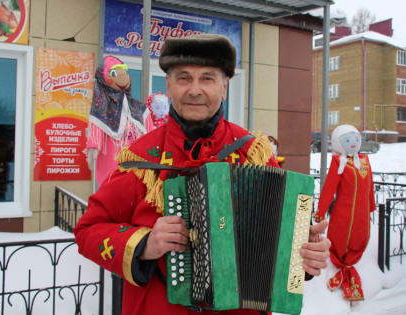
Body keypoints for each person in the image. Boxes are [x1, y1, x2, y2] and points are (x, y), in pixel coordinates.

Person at [74, 34, 331, 315]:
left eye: (207, 78)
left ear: (224, 86)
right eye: (184, 78)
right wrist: (144, 244)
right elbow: (88, 230)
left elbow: (278, 245)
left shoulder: (253, 152)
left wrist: (305, 254)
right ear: (169, 86)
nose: (194, 90)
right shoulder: (140, 159)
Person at [314, 125, 376, 301]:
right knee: (342, 236)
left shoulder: (364, 160)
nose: (353, 144)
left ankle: (351, 268)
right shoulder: (338, 163)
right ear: (338, 144)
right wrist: (321, 211)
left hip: (362, 215)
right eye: (348, 141)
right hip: (344, 213)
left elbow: (369, 185)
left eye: (356, 140)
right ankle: (340, 269)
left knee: (360, 235)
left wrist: (371, 206)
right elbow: (329, 189)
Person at [86, 56, 154, 186]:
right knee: (113, 191)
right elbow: (96, 126)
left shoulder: (138, 108)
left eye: (124, 72)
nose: (123, 77)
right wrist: (93, 145)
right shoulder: (101, 108)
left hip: (137, 164)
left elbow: (151, 133)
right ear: (103, 78)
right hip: (111, 162)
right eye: (114, 73)